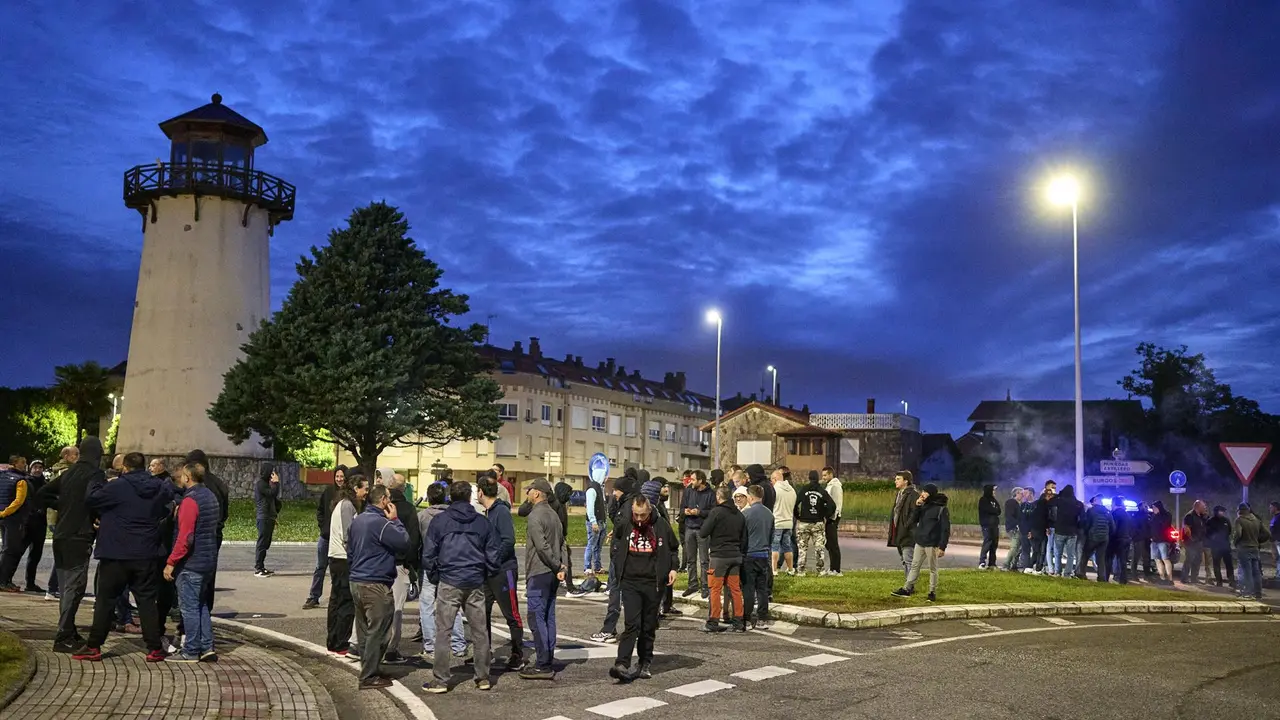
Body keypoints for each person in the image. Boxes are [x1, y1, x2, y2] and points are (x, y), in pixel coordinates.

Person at [74, 452, 174, 662]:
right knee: (146, 601)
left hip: (116, 553)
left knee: (106, 600)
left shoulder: (117, 486)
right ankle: (154, 648)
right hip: (146, 552)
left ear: (125, 467)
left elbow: (91, 499)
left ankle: (94, 646)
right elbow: (167, 505)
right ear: (145, 466)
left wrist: (96, 481)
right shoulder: (158, 486)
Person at [421, 481, 501, 693]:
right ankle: (483, 676)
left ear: (450, 497)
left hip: (449, 579)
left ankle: (440, 678)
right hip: (474, 580)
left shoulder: (440, 521)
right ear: (469, 497)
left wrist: (436, 575)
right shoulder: (481, 522)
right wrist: (487, 574)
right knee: (480, 631)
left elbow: (429, 554)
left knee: (443, 631)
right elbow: (493, 553)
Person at [36, 437, 103, 652]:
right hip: (79, 535)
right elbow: (95, 499)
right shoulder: (95, 474)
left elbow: (41, 493)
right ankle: (63, 636)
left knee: (66, 587)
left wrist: (62, 506)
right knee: (74, 587)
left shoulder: (68, 474)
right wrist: (95, 516)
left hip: (61, 535)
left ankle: (69, 629)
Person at [608, 494, 677, 682]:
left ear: (649, 510)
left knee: (648, 625)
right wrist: (616, 560)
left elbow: (672, 548)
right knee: (631, 623)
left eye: (643, 515)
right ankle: (621, 663)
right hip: (630, 582)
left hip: (653, 582)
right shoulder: (625, 523)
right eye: (636, 515)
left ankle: (645, 662)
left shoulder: (660, 525)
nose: (639, 519)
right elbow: (617, 540)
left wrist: (672, 568)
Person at [347, 485, 409, 689]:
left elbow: (350, 550)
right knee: (380, 632)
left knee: (364, 630)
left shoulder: (358, 521)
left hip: (356, 581)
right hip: (375, 582)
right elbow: (403, 542)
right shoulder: (381, 523)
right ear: (383, 500)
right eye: (389, 499)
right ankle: (368, 676)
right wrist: (396, 520)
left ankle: (369, 668)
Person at [163, 461, 221, 662]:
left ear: (188, 478)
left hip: (191, 564)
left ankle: (191, 650)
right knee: (201, 605)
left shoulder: (190, 501)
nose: (179, 479)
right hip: (208, 561)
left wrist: (171, 561)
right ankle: (207, 647)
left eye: (182, 476)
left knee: (189, 608)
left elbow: (185, 537)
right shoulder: (210, 497)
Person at [477, 474, 524, 671]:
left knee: (511, 613)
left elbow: (508, 541)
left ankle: (517, 653)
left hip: (505, 571)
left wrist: (493, 560)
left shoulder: (501, 511)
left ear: (480, 492)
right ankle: (483, 651)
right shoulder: (488, 513)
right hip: (488, 571)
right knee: (481, 612)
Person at [416, 483, 466, 661]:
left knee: (427, 604)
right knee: (453, 605)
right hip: (450, 563)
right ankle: (459, 644)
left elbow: (417, 543)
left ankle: (430, 645)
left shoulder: (422, 516)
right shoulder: (451, 516)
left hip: (429, 564)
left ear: (429, 498)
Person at [521, 479, 565, 680]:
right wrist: (561, 566)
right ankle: (548, 658)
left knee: (536, 617)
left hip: (539, 572)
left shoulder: (535, 516)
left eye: (529, 490)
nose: (527, 493)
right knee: (549, 616)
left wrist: (556, 564)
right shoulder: (554, 515)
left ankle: (542, 664)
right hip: (552, 574)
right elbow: (562, 543)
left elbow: (542, 547)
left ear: (537, 493)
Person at [593, 473, 641, 642]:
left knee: (616, 592)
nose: (614, 493)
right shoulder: (630, 504)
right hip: (623, 554)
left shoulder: (627, 507)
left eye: (616, 490)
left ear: (624, 491)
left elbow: (625, 526)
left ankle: (609, 629)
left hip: (621, 557)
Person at [326, 472, 368, 656]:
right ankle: (340, 642)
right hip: (342, 559)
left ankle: (334, 641)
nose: (366, 492)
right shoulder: (347, 506)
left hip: (338, 558)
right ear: (355, 488)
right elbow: (347, 536)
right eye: (365, 488)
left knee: (337, 601)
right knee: (344, 602)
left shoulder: (344, 504)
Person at [184, 450, 229, 615]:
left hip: (196, 535)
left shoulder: (196, 486)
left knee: (191, 576)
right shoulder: (219, 483)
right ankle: (205, 610)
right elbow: (225, 513)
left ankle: (191, 615)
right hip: (215, 534)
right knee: (209, 574)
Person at [384, 472, 421, 664]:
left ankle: (373, 644)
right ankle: (392, 648)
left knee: (377, 607)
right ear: (403, 488)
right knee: (397, 608)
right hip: (399, 565)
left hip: (379, 564)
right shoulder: (407, 509)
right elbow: (413, 539)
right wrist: (409, 563)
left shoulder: (379, 507)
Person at [699, 485, 747, 632]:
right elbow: (744, 538)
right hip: (735, 555)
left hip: (719, 556)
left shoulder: (716, 512)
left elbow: (703, 532)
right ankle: (739, 622)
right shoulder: (739, 515)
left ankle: (713, 622)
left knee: (715, 589)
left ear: (719, 497)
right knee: (735, 589)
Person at [891, 483, 950, 601]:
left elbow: (945, 529)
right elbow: (913, 520)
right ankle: (907, 589)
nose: (922, 494)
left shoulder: (941, 509)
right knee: (914, 566)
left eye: (925, 492)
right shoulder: (924, 506)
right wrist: (917, 506)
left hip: (932, 543)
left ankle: (932, 592)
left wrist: (942, 547)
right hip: (920, 541)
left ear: (931, 494)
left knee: (932, 569)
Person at [306, 465, 346, 609]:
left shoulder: (349, 495)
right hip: (326, 537)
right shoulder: (328, 491)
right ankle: (313, 597)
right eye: (337, 476)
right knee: (320, 567)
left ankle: (337, 599)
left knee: (338, 570)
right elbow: (320, 510)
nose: (339, 479)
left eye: (342, 476)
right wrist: (323, 526)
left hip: (340, 539)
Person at [740, 484, 774, 629]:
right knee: (762, 589)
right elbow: (771, 536)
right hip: (764, 555)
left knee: (748, 588)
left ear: (751, 497)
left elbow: (742, 536)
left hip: (749, 555)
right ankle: (762, 618)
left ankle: (747, 619)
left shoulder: (745, 514)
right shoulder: (769, 514)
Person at [679, 470, 714, 598]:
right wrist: (686, 511)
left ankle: (705, 586)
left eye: (693, 480)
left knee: (704, 560)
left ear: (701, 480)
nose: (691, 482)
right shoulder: (688, 491)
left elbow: (713, 511)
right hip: (689, 527)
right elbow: (682, 507)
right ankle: (692, 585)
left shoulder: (711, 493)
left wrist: (699, 512)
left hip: (703, 529)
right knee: (690, 559)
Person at [0, 456, 33, 592]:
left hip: (2, 517)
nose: (25, 465)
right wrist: (6, 512)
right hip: (13, 519)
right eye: (23, 463)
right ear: (14, 464)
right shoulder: (21, 481)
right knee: (11, 550)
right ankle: (3, 581)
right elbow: (19, 501)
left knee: (5, 549)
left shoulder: (2, 476)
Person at [794, 470, 835, 575]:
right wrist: (825, 515)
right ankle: (820, 570)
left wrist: (798, 516)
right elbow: (832, 505)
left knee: (802, 548)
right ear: (818, 478)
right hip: (818, 522)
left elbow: (795, 504)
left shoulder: (804, 489)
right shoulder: (821, 491)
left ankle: (801, 570)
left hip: (804, 522)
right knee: (819, 548)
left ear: (809, 478)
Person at [20, 459, 48, 593]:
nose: (37, 470)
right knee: (16, 552)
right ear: (30, 469)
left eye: (40, 467)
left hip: (41, 523)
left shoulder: (45, 483)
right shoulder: (26, 481)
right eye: (35, 467)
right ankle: (5, 579)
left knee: (36, 554)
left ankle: (30, 583)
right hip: (28, 522)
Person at [1232, 503, 1270, 601]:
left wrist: (1235, 542)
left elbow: (1238, 533)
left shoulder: (1239, 520)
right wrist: (1258, 540)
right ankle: (1258, 593)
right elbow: (1267, 533)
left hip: (1244, 548)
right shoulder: (1257, 520)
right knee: (1256, 572)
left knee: (1247, 571)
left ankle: (1247, 593)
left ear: (1239, 511)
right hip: (1255, 548)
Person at [888, 471, 919, 580]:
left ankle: (909, 586)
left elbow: (914, 513)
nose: (895, 481)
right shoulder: (900, 494)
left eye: (898, 479)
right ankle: (908, 584)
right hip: (898, 532)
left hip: (908, 533)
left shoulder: (913, 494)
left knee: (908, 560)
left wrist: (906, 526)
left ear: (906, 481)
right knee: (904, 560)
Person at [253, 463, 281, 578]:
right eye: (271, 472)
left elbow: (274, 499)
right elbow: (272, 493)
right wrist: (276, 483)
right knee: (262, 543)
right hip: (263, 517)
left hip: (269, 517)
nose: (272, 474)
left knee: (266, 543)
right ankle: (258, 568)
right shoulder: (261, 484)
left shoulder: (267, 484)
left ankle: (262, 567)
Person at [1079, 495, 1114, 582]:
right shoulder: (1107, 512)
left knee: (1085, 555)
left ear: (1095, 501)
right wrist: (1107, 534)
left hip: (1093, 537)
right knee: (1101, 558)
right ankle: (1102, 577)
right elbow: (1113, 526)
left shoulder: (1091, 511)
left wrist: (1086, 533)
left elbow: (1087, 524)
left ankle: (1081, 573)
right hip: (1104, 539)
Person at [1050, 485, 1083, 577]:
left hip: (1060, 530)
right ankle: (1067, 573)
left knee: (1058, 553)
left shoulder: (1059, 501)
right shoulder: (1078, 504)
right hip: (1072, 532)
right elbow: (1083, 519)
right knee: (1070, 555)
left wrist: (1058, 494)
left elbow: (1050, 502)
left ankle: (1058, 571)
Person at [582, 468, 607, 590]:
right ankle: (587, 567)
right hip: (595, 522)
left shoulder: (600, 488)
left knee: (598, 547)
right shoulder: (592, 489)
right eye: (604, 475)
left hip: (602, 521)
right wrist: (593, 521)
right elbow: (590, 506)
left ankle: (597, 566)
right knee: (591, 545)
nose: (606, 478)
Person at [770, 468, 797, 575]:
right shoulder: (792, 490)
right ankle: (790, 569)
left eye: (772, 480)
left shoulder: (775, 490)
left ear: (775, 479)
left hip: (777, 522)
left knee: (775, 546)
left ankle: (774, 569)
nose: (771, 482)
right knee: (787, 547)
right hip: (789, 522)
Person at [1205, 505, 1235, 588]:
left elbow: (1229, 531)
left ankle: (1231, 581)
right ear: (1216, 512)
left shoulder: (1226, 520)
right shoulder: (1210, 521)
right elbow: (1207, 533)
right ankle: (1219, 581)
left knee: (1229, 564)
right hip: (1216, 547)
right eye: (1221, 511)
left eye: (1223, 511)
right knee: (1216, 564)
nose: (1222, 513)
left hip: (1225, 546)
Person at [821, 467, 843, 575]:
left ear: (830, 475)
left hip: (833, 517)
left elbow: (837, 503)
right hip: (829, 517)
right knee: (829, 543)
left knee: (833, 544)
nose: (823, 477)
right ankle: (832, 568)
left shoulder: (835, 486)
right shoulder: (830, 485)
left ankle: (836, 569)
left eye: (825, 475)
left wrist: (833, 517)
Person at [1181, 500, 1210, 584]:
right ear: (1198, 507)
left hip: (1199, 542)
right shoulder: (1190, 516)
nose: (1205, 508)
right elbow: (1186, 529)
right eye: (1203, 506)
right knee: (1189, 559)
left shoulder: (1201, 516)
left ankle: (1194, 578)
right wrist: (1192, 538)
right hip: (1191, 542)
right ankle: (1184, 578)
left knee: (1198, 560)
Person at [1107, 496, 1133, 584]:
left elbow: (1113, 527)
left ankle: (1105, 577)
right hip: (1126, 539)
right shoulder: (1126, 514)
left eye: (1111, 503)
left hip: (1117, 539)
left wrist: (1110, 537)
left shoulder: (1115, 514)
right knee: (1122, 561)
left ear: (1114, 503)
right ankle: (1123, 580)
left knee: (1109, 559)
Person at [1149, 501, 1175, 583]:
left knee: (1165, 559)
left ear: (1158, 507)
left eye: (1154, 507)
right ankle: (1162, 577)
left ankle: (1170, 578)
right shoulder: (1153, 516)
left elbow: (1166, 525)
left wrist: (1158, 515)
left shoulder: (1167, 515)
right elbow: (1151, 526)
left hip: (1163, 540)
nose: (1153, 509)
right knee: (1157, 559)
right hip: (1154, 541)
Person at [977, 483, 1001, 569]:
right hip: (987, 525)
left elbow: (999, 511)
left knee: (994, 544)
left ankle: (992, 563)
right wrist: (994, 510)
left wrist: (994, 510)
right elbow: (989, 510)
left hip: (995, 525)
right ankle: (982, 561)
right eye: (993, 490)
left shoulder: (994, 500)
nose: (994, 492)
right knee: (987, 542)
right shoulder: (983, 500)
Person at [1000, 486, 1022, 571]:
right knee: (1014, 547)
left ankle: (1014, 565)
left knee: (1018, 547)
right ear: (1017, 493)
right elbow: (1010, 515)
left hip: (1016, 527)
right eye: (1021, 494)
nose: (1023, 496)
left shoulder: (1018, 503)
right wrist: (1016, 524)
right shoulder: (1011, 502)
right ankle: (1006, 564)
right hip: (1014, 528)